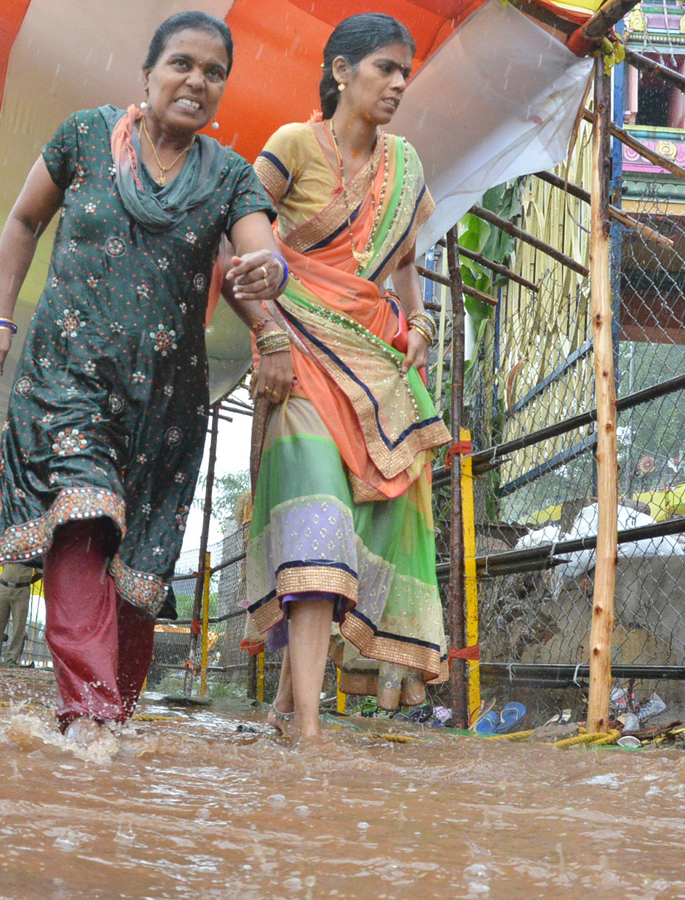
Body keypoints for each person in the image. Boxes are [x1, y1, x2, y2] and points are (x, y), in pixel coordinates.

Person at [0, 12, 284, 745]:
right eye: (182, 64)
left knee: (139, 576)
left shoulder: (229, 176)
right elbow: (21, 222)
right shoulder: (83, 136)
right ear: (147, 74)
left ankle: (115, 714)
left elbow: (256, 249)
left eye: (214, 73)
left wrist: (272, 268)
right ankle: (90, 715)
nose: (196, 82)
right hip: (65, 379)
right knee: (81, 521)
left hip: (166, 405)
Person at [243, 14, 451, 743]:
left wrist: (421, 326)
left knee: (363, 534)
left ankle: (284, 712)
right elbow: (238, 234)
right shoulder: (292, 145)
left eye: (405, 72)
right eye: (385, 68)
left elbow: (404, 265)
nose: (398, 83)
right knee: (317, 528)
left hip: (374, 370)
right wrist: (267, 332)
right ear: (340, 71)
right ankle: (307, 731)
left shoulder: (408, 166)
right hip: (295, 357)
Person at [0, 563, 38, 666]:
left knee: (19, 626)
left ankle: (11, 658)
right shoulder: (7, 549)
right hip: (4, 587)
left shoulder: (33, 552)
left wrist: (26, 582)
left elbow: (40, 571)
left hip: (22, 590)